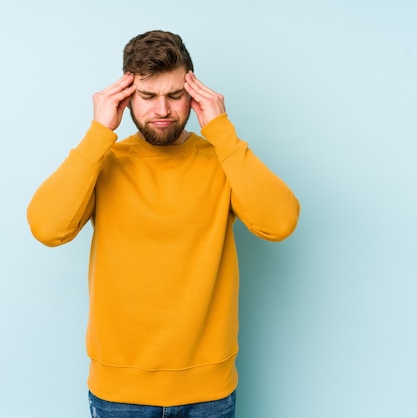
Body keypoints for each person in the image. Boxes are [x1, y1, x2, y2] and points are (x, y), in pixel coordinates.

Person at [27, 30, 300, 418]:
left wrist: (221, 130)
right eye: (148, 96)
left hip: (208, 391)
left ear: (194, 93)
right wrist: (98, 133)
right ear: (126, 96)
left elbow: (280, 222)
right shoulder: (104, 162)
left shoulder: (223, 160)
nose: (163, 110)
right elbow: (47, 228)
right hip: (119, 393)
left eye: (175, 95)